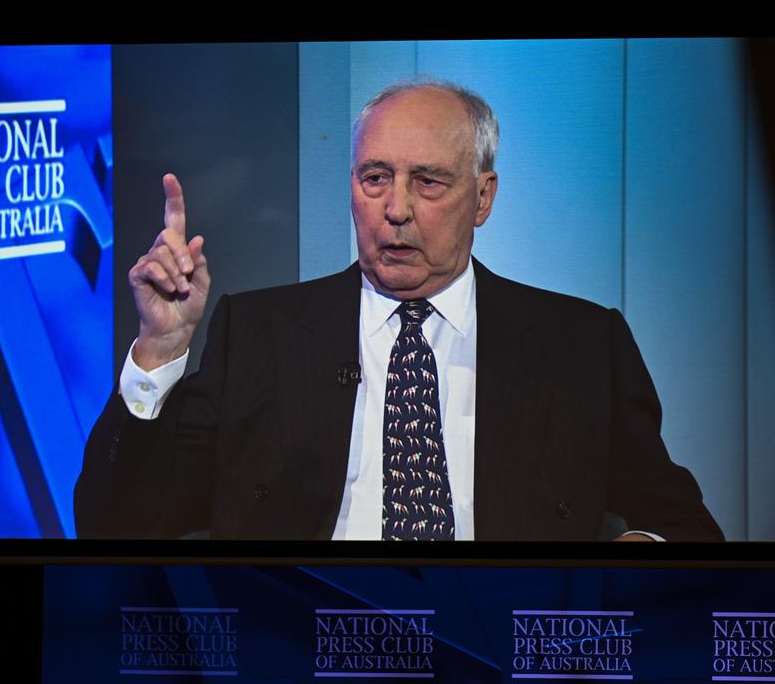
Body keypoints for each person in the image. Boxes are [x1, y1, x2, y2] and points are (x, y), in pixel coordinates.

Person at [74, 81, 723, 542]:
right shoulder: (258, 333)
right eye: (374, 178)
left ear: (483, 198)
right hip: (300, 646)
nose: (397, 209)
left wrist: (641, 554)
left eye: (429, 182)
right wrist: (158, 352)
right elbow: (119, 526)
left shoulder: (581, 343)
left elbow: (687, 528)